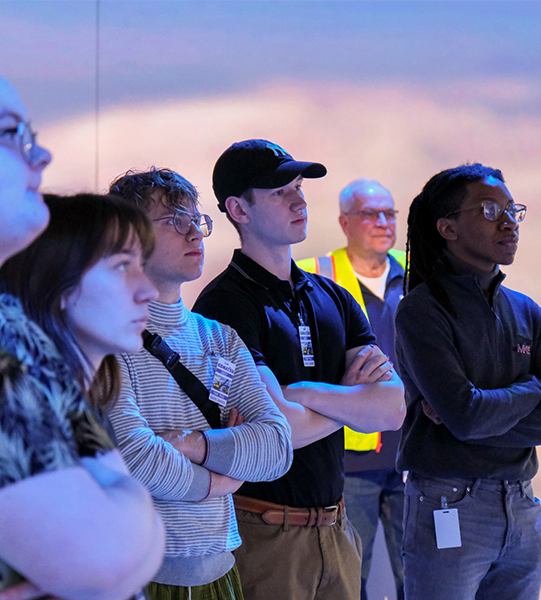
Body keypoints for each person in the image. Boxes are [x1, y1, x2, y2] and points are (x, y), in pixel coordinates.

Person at [0, 52, 163, 600]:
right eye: (8, 135)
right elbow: (108, 560)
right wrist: (120, 499)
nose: (40, 155)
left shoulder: (6, 322)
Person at [193, 139, 405, 600]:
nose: (299, 200)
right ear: (238, 209)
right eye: (279, 192)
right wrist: (349, 398)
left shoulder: (332, 296)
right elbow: (279, 433)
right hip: (265, 530)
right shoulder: (225, 303)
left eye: (299, 187)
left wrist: (303, 393)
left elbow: (390, 410)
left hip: (337, 526)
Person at [108, 167, 293, 600]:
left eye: (196, 219)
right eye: (175, 220)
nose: (195, 233)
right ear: (127, 238)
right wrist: (222, 477)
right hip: (140, 570)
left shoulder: (220, 337)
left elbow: (277, 447)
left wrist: (194, 445)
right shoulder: (110, 340)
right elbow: (137, 458)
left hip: (219, 564)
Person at [395, 163, 541, 600]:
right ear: (448, 228)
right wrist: (535, 388)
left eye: (512, 209)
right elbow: (465, 417)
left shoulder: (526, 310)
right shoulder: (421, 310)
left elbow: (467, 417)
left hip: (521, 501)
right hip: (449, 502)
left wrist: (475, 412)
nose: (509, 221)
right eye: (490, 209)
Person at [297, 178, 405, 600]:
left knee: (417, 571)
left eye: (389, 214)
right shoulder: (313, 276)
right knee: (346, 577)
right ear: (344, 222)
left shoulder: (417, 272)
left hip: (413, 456)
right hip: (347, 460)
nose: (382, 222)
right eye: (369, 213)